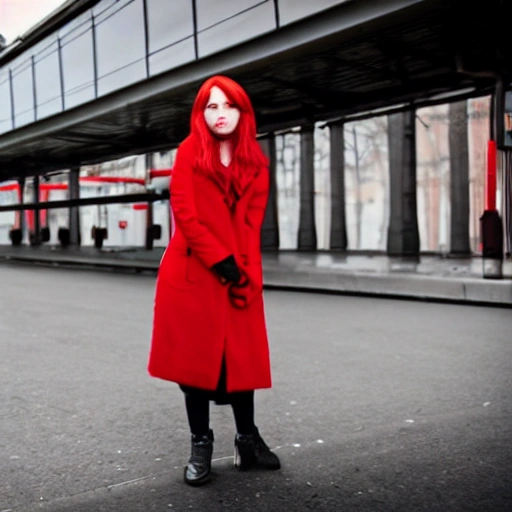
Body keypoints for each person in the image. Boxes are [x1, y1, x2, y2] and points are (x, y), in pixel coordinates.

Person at [147, 75, 280, 486]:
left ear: (243, 112)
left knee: (240, 362)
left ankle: (246, 440)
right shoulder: (189, 153)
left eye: (228, 106)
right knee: (195, 369)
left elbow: (251, 224)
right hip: (192, 272)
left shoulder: (256, 163)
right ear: (200, 113)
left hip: (237, 273)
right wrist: (220, 260)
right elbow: (185, 214)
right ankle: (200, 444)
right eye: (212, 106)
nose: (220, 114)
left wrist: (246, 275)